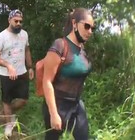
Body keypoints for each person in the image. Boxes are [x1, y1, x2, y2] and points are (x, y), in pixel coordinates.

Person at [41, 8, 95, 140]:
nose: (90, 31)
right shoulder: (60, 45)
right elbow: (46, 81)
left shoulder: (82, 49)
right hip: (57, 104)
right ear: (74, 24)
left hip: (76, 105)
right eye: (87, 26)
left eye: (93, 28)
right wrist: (53, 114)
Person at [0, 9, 34, 137]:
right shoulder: (1, 36)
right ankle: (9, 124)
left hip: (22, 72)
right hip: (6, 74)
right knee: (7, 100)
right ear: (9, 20)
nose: (18, 23)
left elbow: (26, 50)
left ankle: (9, 113)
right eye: (16, 21)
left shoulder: (24, 34)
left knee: (24, 100)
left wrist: (30, 67)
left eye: (20, 21)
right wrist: (8, 65)